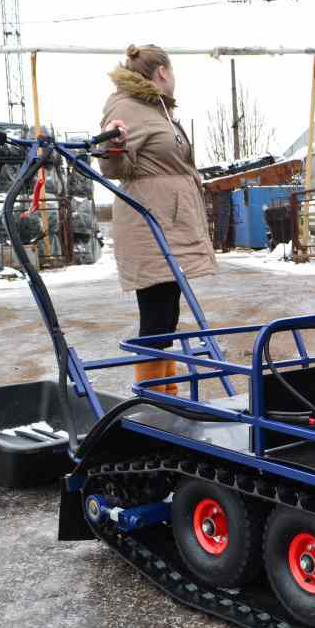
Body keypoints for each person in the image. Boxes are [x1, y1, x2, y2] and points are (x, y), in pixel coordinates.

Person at [100, 44, 216, 394]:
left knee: (167, 315)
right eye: (173, 72)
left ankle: (167, 392)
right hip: (150, 224)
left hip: (170, 221)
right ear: (162, 72)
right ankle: (152, 396)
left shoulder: (156, 110)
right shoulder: (127, 108)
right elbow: (112, 166)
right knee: (155, 317)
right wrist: (115, 145)